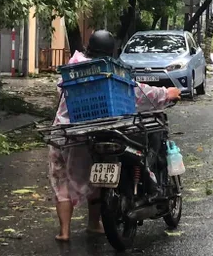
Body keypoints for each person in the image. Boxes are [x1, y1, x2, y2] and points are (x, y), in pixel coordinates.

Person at [50, 30, 179, 243]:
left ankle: (64, 232)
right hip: (93, 133)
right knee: (96, 182)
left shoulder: (74, 67)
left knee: (61, 182)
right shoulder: (112, 72)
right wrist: (167, 93)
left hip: (64, 133)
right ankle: (94, 224)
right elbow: (138, 93)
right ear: (112, 51)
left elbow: (61, 93)